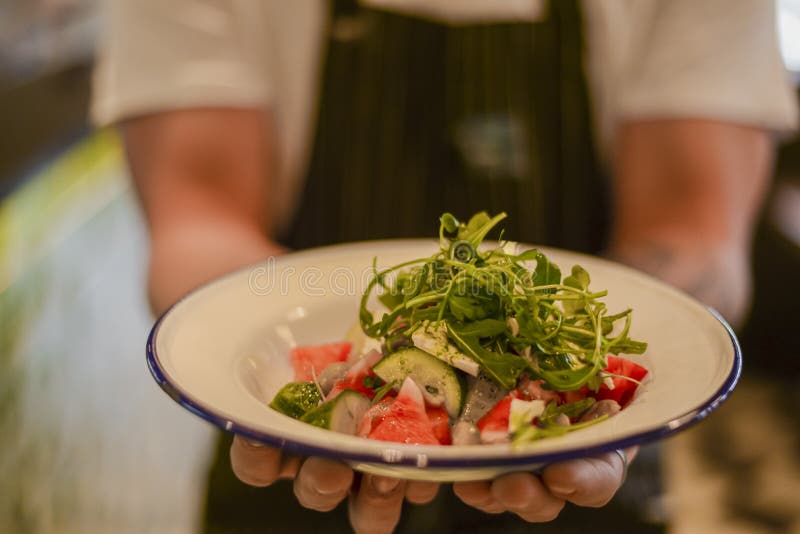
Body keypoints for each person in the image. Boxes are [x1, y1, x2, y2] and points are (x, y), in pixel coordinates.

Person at [93, 0, 797, 532]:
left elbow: (694, 234)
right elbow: (199, 220)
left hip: (590, 488)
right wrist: (264, 357)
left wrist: (591, 393)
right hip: (286, 483)